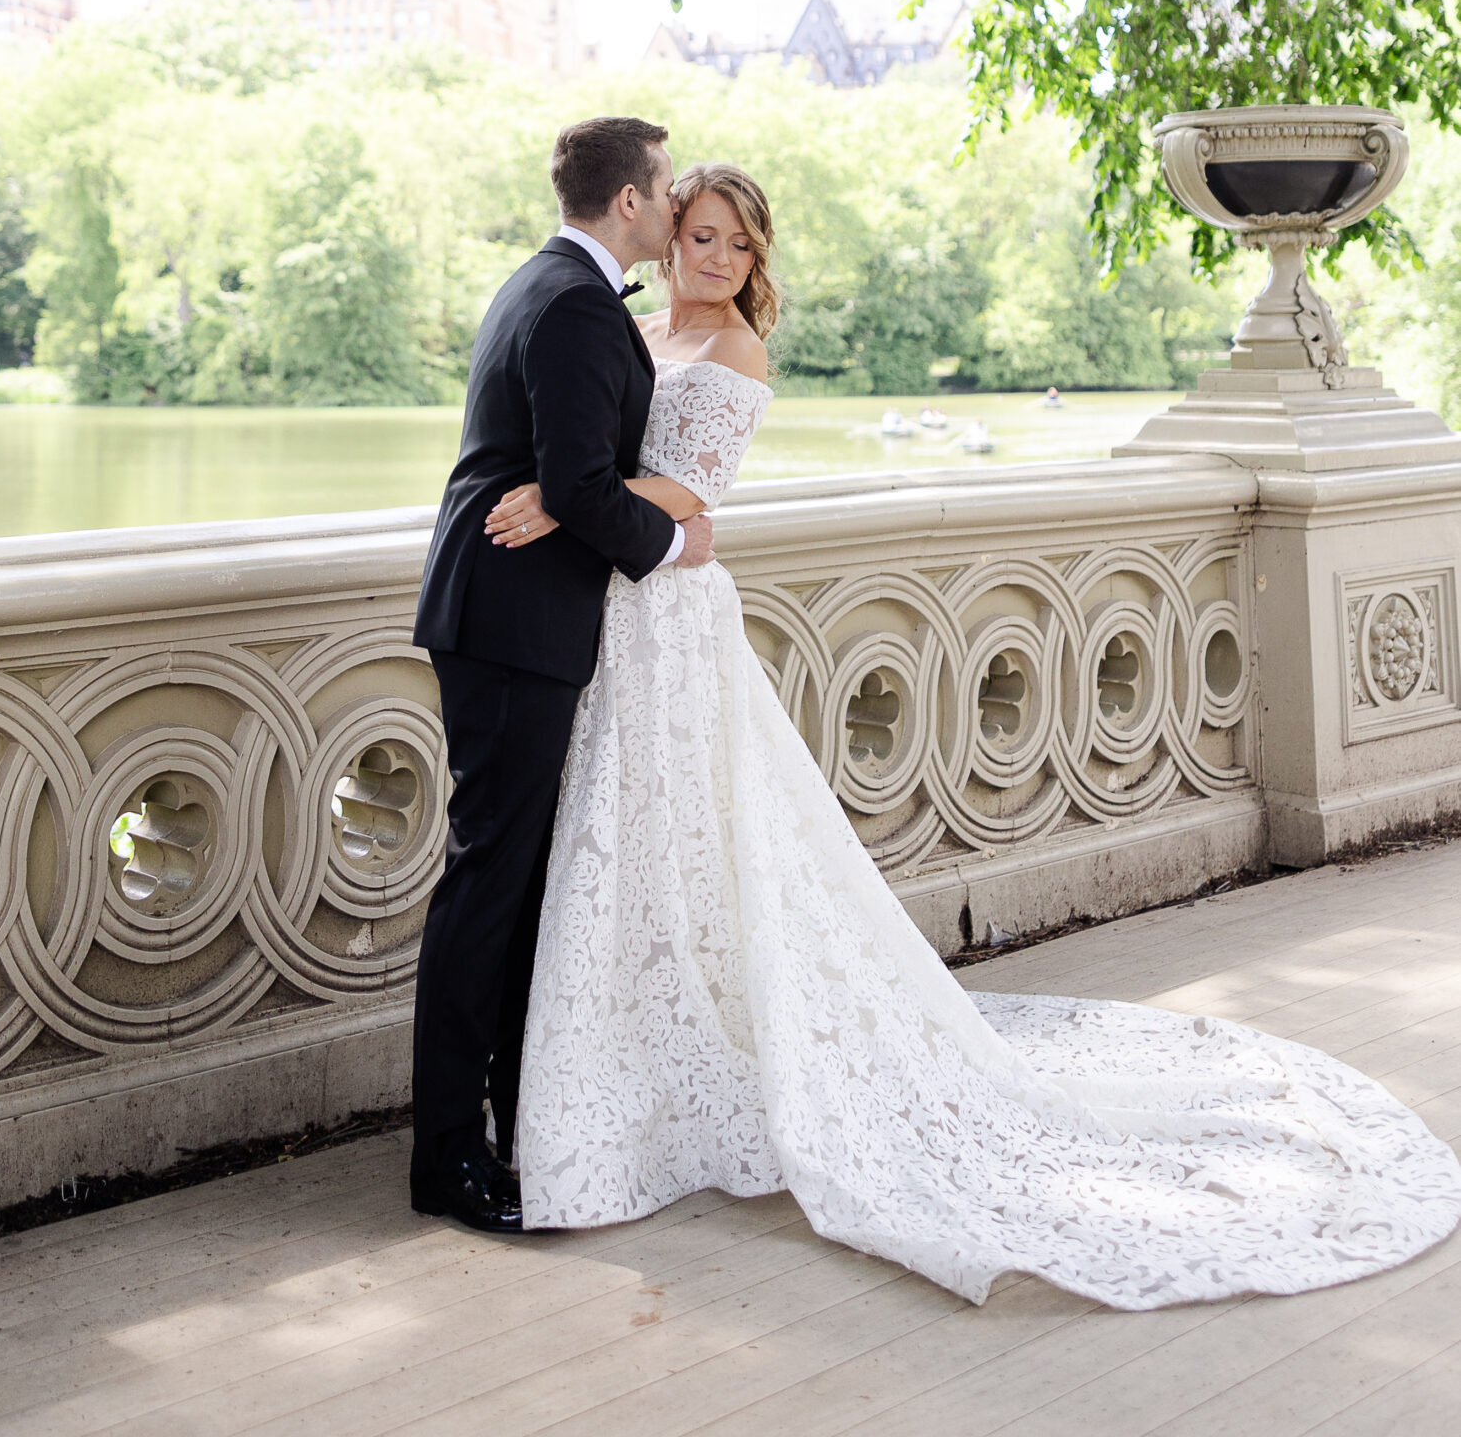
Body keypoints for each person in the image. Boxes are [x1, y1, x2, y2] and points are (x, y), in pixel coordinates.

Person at [484, 162, 1461, 1310]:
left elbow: (693, 490)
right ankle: (637, 1045)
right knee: (635, 828)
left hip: (672, 608)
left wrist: (561, 498)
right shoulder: (633, 328)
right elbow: (597, 450)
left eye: (738, 246)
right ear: (666, 235)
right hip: (615, 603)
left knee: (694, 818)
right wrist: (574, 489)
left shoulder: (737, 350)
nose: (717, 259)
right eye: (701, 236)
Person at [408, 115, 717, 1235]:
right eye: (665, 188)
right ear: (628, 201)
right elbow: (583, 486)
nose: (674, 205)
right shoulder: (578, 304)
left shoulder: (546, 284)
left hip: (507, 618)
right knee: (486, 887)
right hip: (510, 624)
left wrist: (567, 488)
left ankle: (506, 1126)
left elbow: (567, 474)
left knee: (514, 884)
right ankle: (447, 1157)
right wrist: (676, 542)